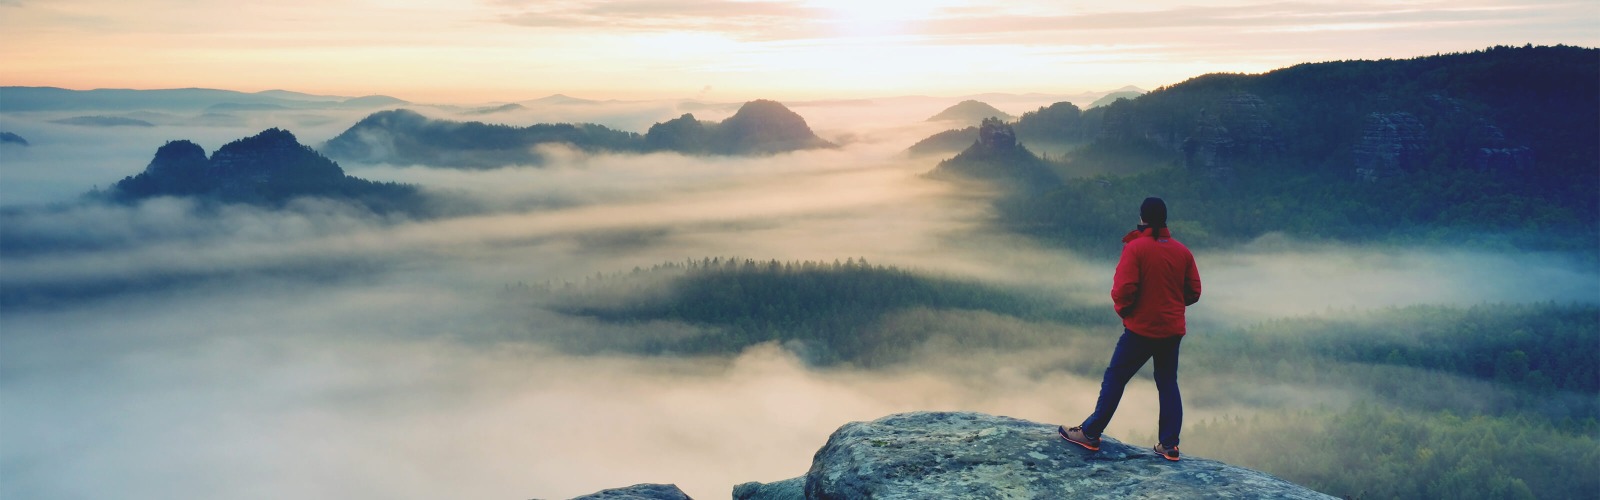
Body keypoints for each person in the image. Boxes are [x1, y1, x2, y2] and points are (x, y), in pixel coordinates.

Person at [1060, 197, 1201, 462]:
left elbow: (1123, 289)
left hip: (1140, 330)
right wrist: (1170, 304)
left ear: (1142, 217)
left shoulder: (1136, 249)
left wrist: (1126, 311)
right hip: (1171, 331)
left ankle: (1090, 433)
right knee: (1167, 382)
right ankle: (1169, 446)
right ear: (1165, 218)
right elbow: (1194, 291)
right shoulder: (1182, 252)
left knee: (1115, 377)